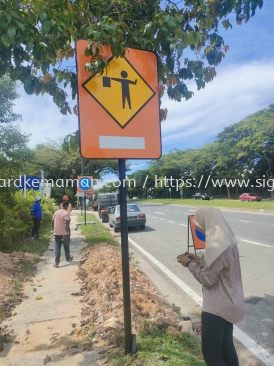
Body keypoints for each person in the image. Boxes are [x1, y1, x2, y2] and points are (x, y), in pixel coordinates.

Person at [177, 207, 245, 366]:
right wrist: (197, 259)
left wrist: (188, 264)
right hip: (231, 303)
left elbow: (206, 278)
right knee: (226, 348)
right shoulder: (228, 240)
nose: (198, 228)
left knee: (212, 354)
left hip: (216, 308)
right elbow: (219, 266)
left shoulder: (215, 246)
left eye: (199, 224)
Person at [52, 201, 73, 267]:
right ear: (67, 206)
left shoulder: (56, 212)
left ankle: (56, 262)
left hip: (57, 232)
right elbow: (66, 223)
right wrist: (66, 233)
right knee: (66, 246)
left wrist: (53, 230)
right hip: (64, 233)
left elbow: (52, 222)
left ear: (62, 206)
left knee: (57, 247)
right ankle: (68, 257)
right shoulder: (66, 213)